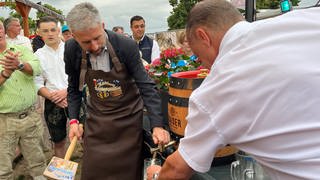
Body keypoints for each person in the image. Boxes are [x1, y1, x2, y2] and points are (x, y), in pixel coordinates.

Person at [149, 0, 320, 179]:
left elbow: (177, 169)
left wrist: (155, 176)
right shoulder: (305, 19)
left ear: (203, 36)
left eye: (198, 55)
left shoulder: (216, 89)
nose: (202, 64)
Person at [65, 2, 170, 179]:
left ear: (103, 26)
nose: (94, 46)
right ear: (74, 36)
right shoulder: (71, 49)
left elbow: (146, 85)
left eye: (97, 38)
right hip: (97, 121)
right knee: (93, 171)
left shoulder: (125, 45)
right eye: (86, 42)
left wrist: (157, 125)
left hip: (127, 120)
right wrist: (74, 120)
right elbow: (74, 89)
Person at [0, 20, 46, 180]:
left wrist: (19, 65)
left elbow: (37, 68)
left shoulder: (21, 50)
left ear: (3, 31)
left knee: (38, 164)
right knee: (3, 170)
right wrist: (5, 73)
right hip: (4, 121)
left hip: (29, 116)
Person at [34, 16, 69, 158]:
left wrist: (66, 92)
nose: (50, 34)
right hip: (52, 100)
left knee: (85, 136)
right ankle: (62, 174)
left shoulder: (72, 48)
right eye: (45, 31)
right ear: (39, 33)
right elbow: (36, 82)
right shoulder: (37, 56)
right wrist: (54, 97)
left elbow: (83, 75)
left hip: (75, 96)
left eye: (53, 30)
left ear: (58, 30)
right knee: (58, 141)